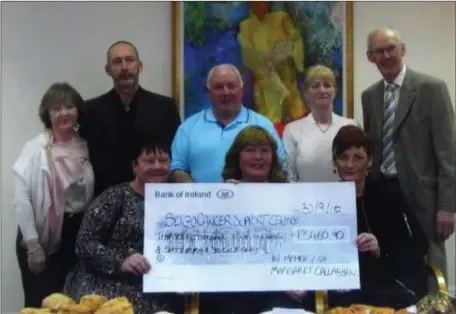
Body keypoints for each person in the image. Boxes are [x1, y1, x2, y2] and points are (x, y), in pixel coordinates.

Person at [288, 125, 429, 309]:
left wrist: (381, 248)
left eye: (358, 158)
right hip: (339, 292)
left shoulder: (389, 195)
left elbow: (418, 246)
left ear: (369, 161)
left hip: (385, 288)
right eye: (343, 157)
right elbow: (309, 251)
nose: (349, 165)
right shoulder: (322, 201)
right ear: (334, 161)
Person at [361, 27, 455, 286]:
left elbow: (448, 153)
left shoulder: (431, 89)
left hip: (423, 196)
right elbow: (372, 150)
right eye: (379, 51)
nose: (386, 55)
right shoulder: (369, 97)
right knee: (391, 260)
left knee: (431, 269)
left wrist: (447, 207)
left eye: (391, 48)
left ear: (403, 49)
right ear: (370, 57)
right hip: (383, 193)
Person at [64, 138, 184, 314]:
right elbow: (84, 243)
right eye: (149, 161)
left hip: (158, 288)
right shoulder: (114, 197)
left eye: (163, 160)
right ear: (135, 166)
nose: (157, 166)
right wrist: (121, 261)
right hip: (104, 283)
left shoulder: (182, 201)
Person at [12, 82, 94, 307]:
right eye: (56, 109)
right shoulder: (35, 148)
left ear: (78, 111)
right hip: (39, 237)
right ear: (47, 114)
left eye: (69, 107)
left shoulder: (86, 147)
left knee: (71, 303)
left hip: (74, 235)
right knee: (41, 303)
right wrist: (33, 246)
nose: (64, 113)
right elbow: (21, 199)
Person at [201, 125, 288, 314]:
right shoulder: (218, 199)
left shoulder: (291, 196)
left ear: (273, 157)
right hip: (231, 288)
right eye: (249, 150)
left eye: (264, 151)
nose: (258, 157)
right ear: (237, 158)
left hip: (280, 285)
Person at [80, 40, 181, 197]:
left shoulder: (164, 107)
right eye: (117, 62)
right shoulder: (90, 111)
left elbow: (175, 156)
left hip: (154, 199)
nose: (124, 67)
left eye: (129, 60)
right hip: (105, 202)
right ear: (107, 70)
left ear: (140, 66)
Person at [170, 63, 286, 184]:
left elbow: (280, 167)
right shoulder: (188, 127)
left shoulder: (263, 125)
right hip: (201, 202)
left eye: (231, 86)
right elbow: (177, 168)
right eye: (218, 87)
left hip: (252, 200)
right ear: (208, 92)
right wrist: (197, 195)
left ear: (242, 90)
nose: (226, 92)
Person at [237, 1, 306, 130]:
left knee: (298, 126)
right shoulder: (245, 26)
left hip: (288, 82)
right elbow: (248, 57)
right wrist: (266, 62)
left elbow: (295, 41)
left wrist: (281, 54)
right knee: (270, 128)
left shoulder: (281, 18)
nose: (261, 4)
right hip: (266, 89)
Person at [282, 65, 357, 182]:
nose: (322, 90)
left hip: (343, 197)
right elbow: (290, 177)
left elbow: (358, 170)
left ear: (334, 91)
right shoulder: (292, 129)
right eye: (315, 86)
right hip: (305, 199)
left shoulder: (350, 126)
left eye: (327, 85)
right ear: (306, 93)